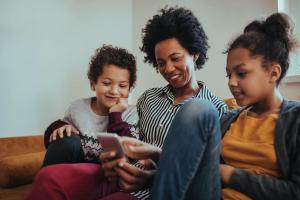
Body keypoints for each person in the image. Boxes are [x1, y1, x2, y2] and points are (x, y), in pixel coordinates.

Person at [26, 6, 227, 200]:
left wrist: (152, 176)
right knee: (49, 179)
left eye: (175, 58)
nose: (168, 68)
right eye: (161, 63)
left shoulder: (216, 110)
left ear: (195, 53)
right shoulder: (148, 98)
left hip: (160, 189)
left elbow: (208, 174)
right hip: (118, 176)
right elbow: (124, 135)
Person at [42, 44, 139, 166]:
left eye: (122, 86)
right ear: (93, 84)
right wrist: (60, 127)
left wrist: (115, 114)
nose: (114, 91)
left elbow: (131, 155)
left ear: (130, 89)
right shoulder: (78, 108)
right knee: (67, 141)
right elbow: (55, 142)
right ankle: (44, 182)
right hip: (78, 170)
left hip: (109, 175)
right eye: (107, 83)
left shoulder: (132, 113)